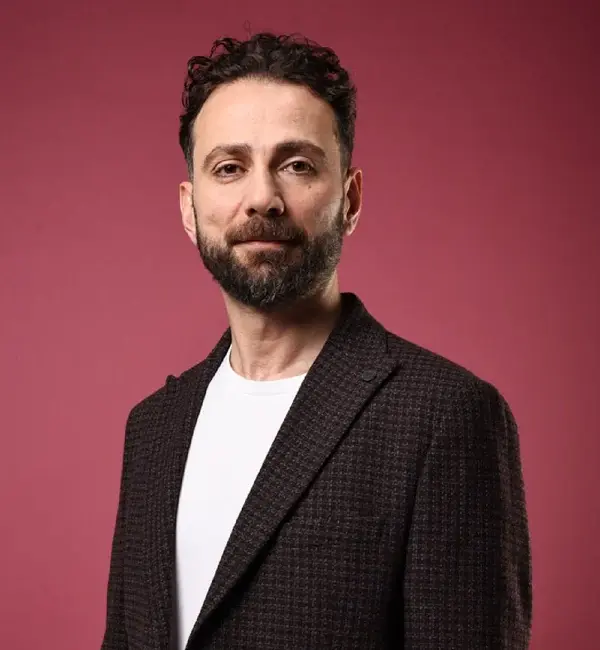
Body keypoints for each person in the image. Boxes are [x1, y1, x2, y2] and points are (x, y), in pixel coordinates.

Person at [100, 32, 532, 650]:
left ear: (350, 199)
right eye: (229, 168)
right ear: (190, 209)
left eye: (297, 165)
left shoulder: (446, 416)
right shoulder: (152, 429)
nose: (262, 199)